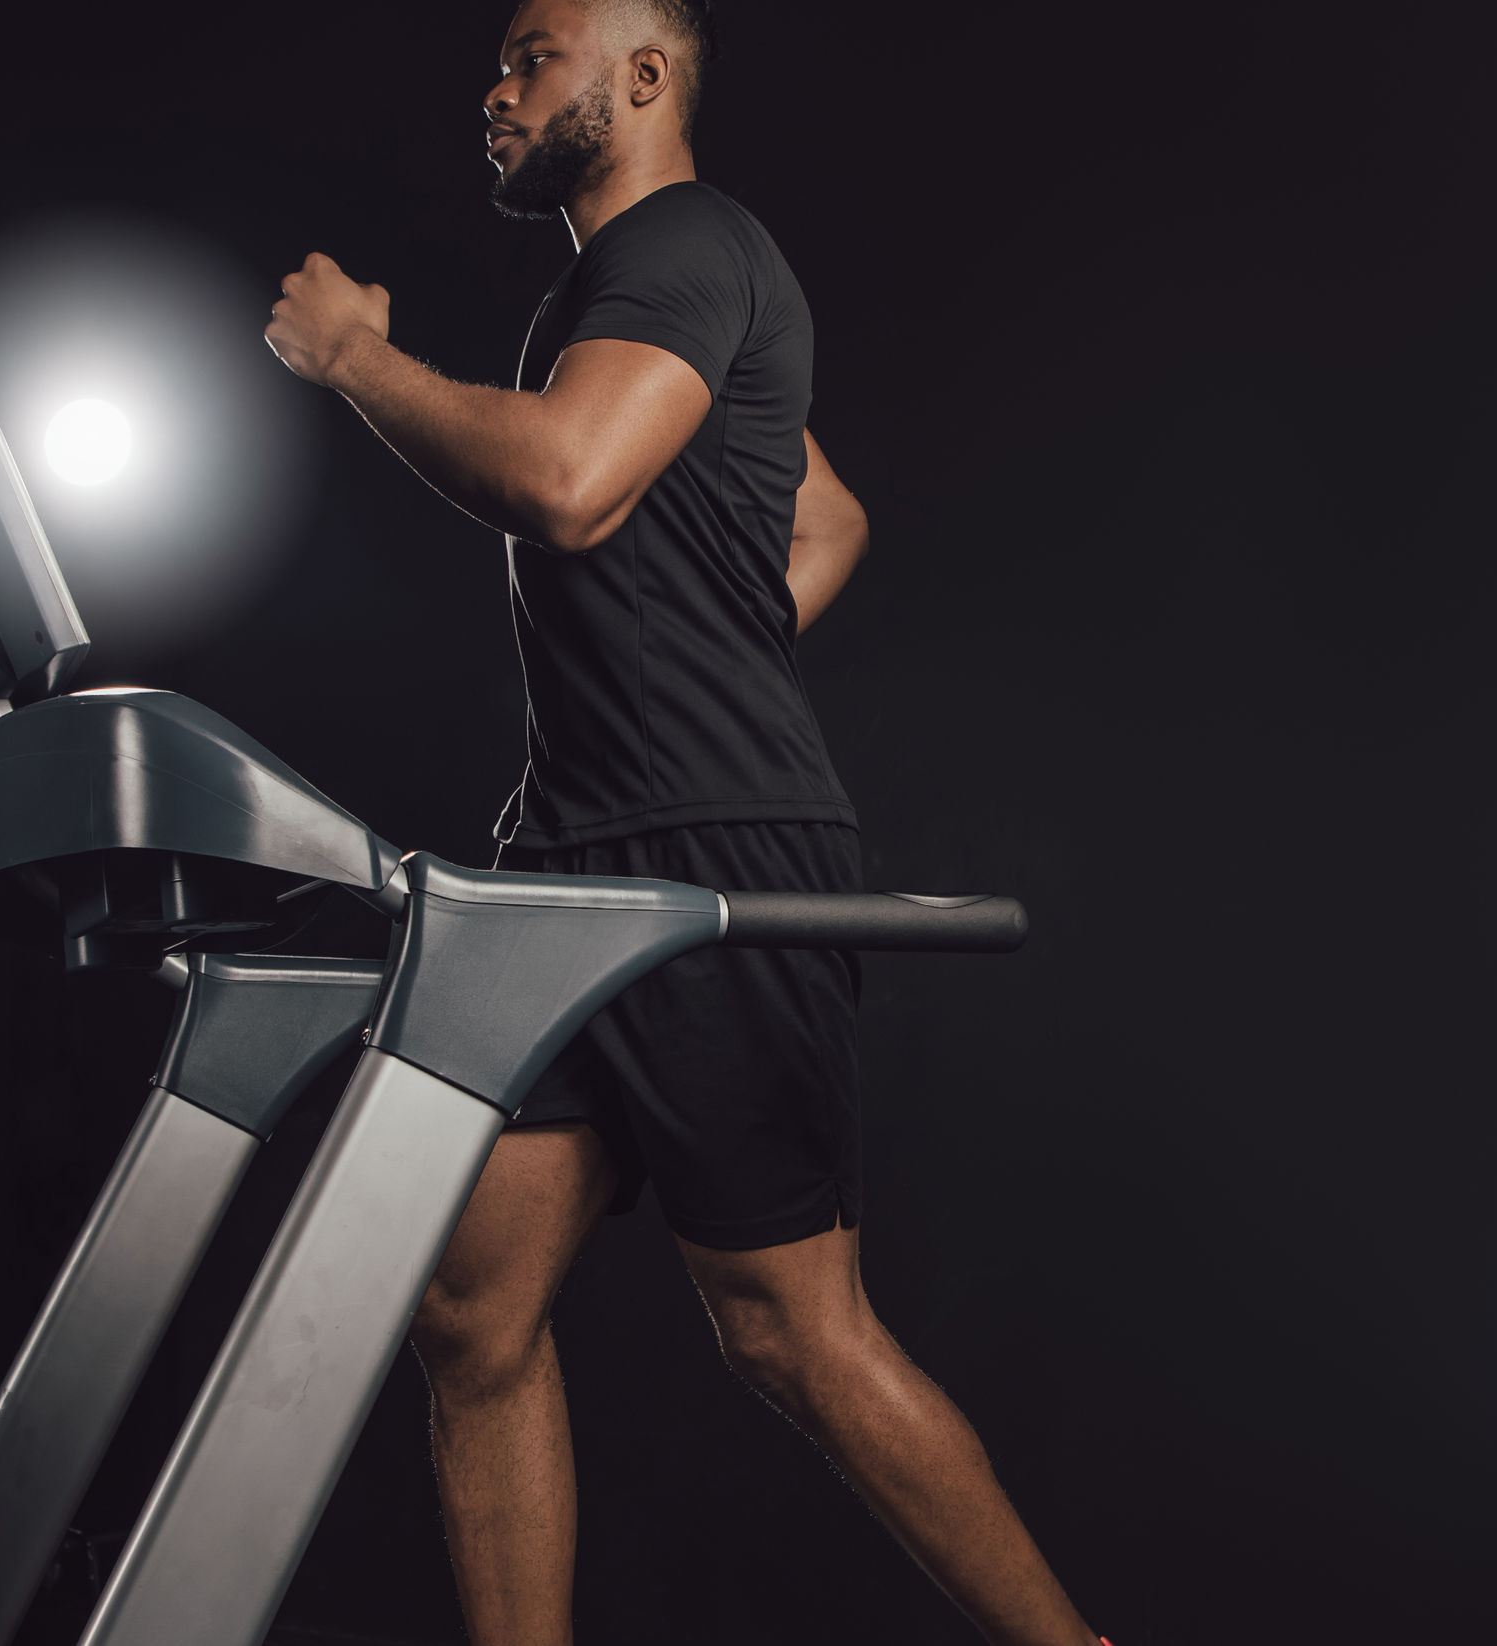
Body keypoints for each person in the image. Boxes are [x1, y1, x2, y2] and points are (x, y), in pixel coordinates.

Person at [257, 4, 1102, 1643]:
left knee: (792, 1333)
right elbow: (824, 512)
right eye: (493, 68)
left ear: (641, 77)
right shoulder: (619, 291)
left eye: (531, 57)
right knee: (471, 1313)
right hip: (570, 857)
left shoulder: (689, 246)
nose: (494, 93)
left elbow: (570, 483)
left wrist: (355, 359)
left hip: (706, 859)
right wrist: (707, 641)